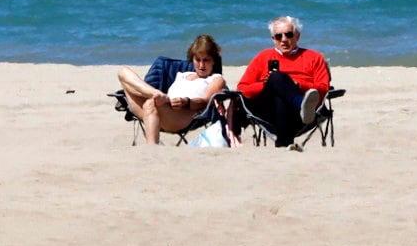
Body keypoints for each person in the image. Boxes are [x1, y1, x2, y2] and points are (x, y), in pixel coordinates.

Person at [235, 15, 332, 148]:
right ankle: (300, 103)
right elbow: (242, 88)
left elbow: (324, 87)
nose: (284, 39)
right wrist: (267, 84)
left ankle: (283, 144)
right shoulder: (263, 57)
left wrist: (298, 85)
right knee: (276, 77)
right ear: (273, 39)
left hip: (300, 116)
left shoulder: (314, 57)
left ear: (297, 36)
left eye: (289, 34)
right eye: (278, 36)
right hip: (268, 111)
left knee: (281, 96)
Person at [117, 35, 228, 146]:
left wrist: (186, 102)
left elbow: (206, 102)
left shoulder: (216, 79)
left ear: (213, 61)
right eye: (197, 60)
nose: (201, 65)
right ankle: (154, 93)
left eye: (206, 60)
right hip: (159, 108)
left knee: (150, 103)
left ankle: (151, 147)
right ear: (192, 59)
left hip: (181, 115)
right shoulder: (183, 75)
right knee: (123, 72)